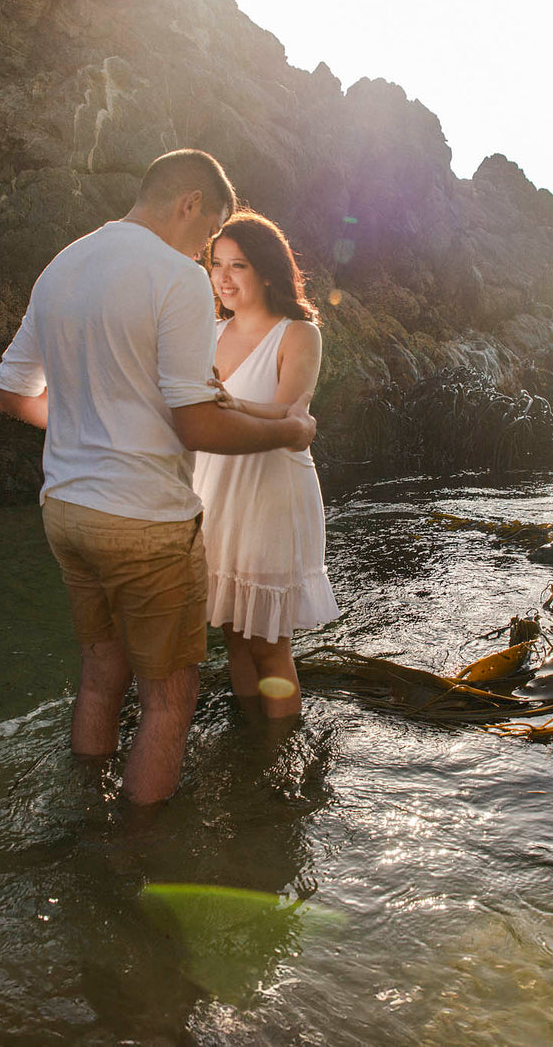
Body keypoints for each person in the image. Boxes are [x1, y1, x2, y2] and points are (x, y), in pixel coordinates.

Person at [0, 150, 316, 806]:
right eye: (208, 236)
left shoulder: (63, 265)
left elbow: (11, 393)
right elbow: (197, 424)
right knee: (170, 697)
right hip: (143, 521)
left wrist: (91, 424)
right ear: (189, 204)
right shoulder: (175, 278)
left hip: (65, 509)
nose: (205, 257)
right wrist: (284, 432)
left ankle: (86, 809)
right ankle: (138, 852)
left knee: (99, 670)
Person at [192, 211, 340, 723]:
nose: (224, 277)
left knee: (269, 647)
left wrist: (227, 405)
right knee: (233, 636)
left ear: (269, 272)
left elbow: (289, 411)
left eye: (239, 265)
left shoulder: (299, 334)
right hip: (214, 492)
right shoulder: (205, 333)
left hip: (271, 494)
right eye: (217, 265)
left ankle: (281, 758)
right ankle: (249, 741)